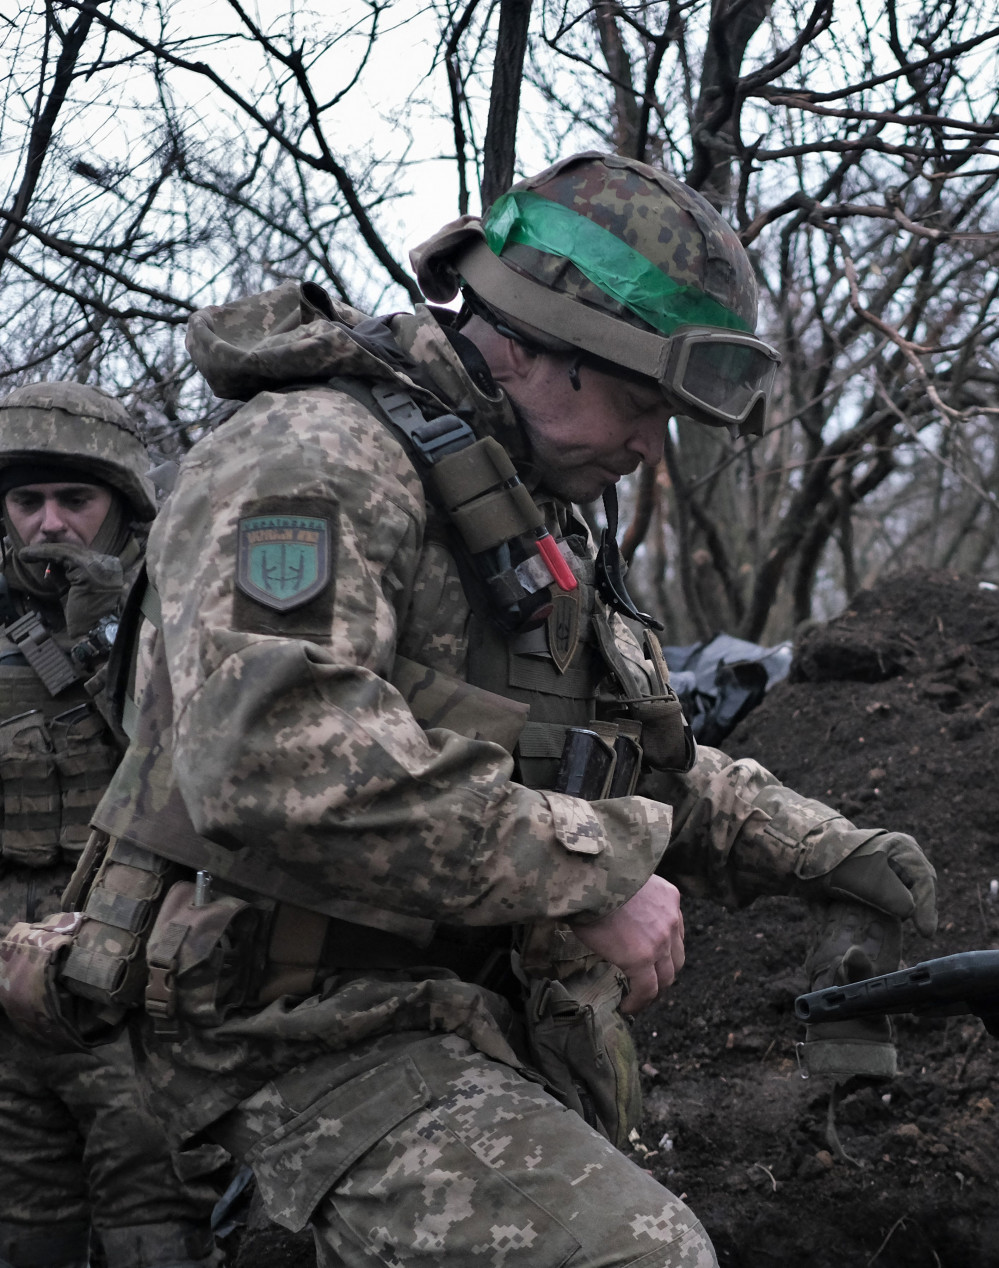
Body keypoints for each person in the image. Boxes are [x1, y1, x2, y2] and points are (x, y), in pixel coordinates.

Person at [31, 154, 935, 1266]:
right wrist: (597, 873)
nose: (653, 447)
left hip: (448, 1010)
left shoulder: (523, 509)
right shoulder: (313, 462)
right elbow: (273, 765)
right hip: (279, 1030)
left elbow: (614, 755)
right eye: (644, 403)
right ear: (536, 345)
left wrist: (824, 848)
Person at [0, 382, 222, 1268]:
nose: (50, 524)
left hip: (133, 979)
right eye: (27, 501)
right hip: (9, 981)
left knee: (155, 1221)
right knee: (26, 1228)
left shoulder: (185, 608)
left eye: (75, 500)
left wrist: (110, 632)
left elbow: (206, 768)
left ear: (122, 508)